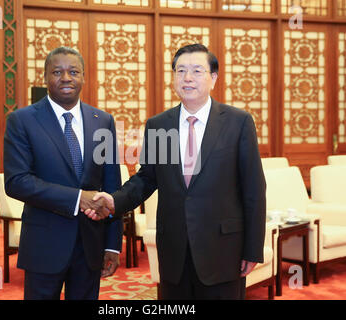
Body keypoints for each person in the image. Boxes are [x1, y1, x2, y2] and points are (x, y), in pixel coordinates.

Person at [85, 43, 266, 300]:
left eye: (196, 70)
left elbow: (254, 191)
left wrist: (252, 249)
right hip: (174, 251)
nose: (188, 78)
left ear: (213, 78)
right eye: (180, 71)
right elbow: (147, 179)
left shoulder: (238, 123)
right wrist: (115, 200)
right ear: (174, 78)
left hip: (223, 250)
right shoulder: (160, 125)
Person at [4, 46, 122, 300]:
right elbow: (17, 182)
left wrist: (112, 244)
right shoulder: (22, 120)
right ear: (45, 77)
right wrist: (78, 198)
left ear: (83, 77)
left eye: (73, 71)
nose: (66, 78)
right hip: (44, 244)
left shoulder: (103, 120)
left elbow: (112, 185)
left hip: (90, 245)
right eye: (57, 72)